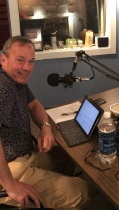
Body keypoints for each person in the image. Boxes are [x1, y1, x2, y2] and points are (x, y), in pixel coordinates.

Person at [0, 36, 89, 209]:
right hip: (10, 167)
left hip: (26, 154)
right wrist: (10, 185)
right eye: (20, 60)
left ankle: (51, 197)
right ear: (4, 59)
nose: (27, 68)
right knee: (81, 191)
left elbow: (34, 105)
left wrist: (45, 127)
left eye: (31, 61)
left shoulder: (16, 82)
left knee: (69, 157)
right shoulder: (2, 87)